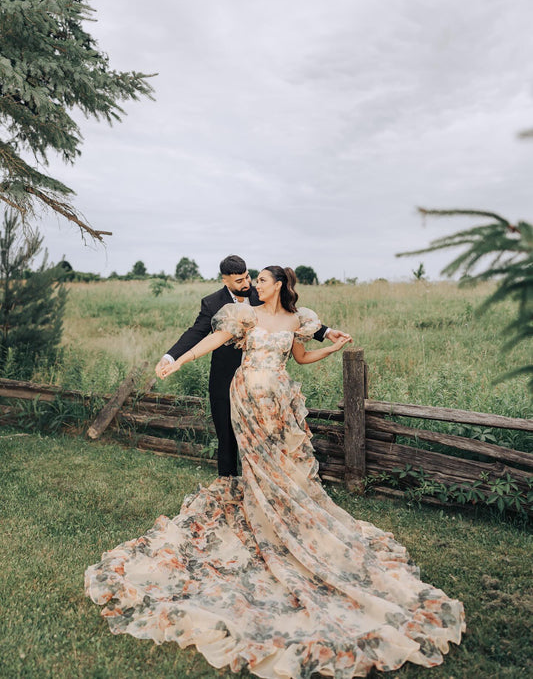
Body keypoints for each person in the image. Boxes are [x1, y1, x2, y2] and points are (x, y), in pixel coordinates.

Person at [85, 266, 465, 678]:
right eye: (254, 281)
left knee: (282, 466)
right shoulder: (243, 316)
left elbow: (301, 356)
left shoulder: (297, 320)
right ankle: (259, 512)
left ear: (279, 285)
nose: (254, 285)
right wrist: (177, 360)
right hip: (246, 397)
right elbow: (213, 338)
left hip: (279, 401)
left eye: (261, 280)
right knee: (256, 464)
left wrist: (332, 348)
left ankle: (286, 517)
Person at [155, 254, 348, 477]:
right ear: (225, 280)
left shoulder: (269, 300)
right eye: (241, 281)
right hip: (233, 379)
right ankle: (230, 481)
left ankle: (271, 484)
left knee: (273, 440)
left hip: (274, 387)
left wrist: (328, 334)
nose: (249, 285)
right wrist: (175, 359)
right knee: (228, 435)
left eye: (251, 278)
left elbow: (294, 326)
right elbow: (203, 335)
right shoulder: (222, 306)